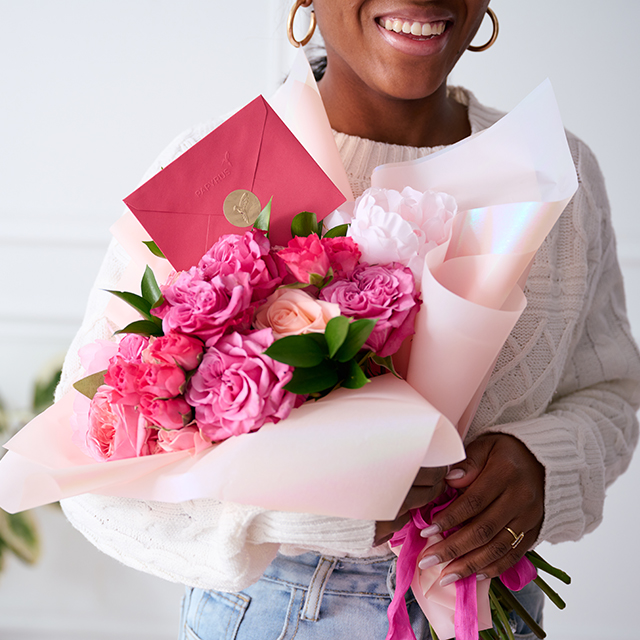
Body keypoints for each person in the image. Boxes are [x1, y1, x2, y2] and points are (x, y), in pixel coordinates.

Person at [56, 1, 640, 639]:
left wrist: (543, 465)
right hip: (280, 609)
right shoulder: (219, 165)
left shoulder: (556, 171)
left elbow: (609, 393)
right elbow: (90, 466)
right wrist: (287, 514)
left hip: (488, 602)